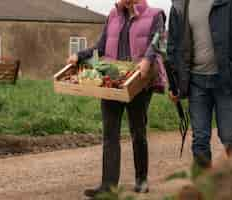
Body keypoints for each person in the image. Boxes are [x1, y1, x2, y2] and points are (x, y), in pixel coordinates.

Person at [67, 0, 166, 197]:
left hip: (138, 81)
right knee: (110, 133)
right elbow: (101, 47)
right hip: (113, 80)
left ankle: (141, 180)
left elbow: (160, 41)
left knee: (138, 132)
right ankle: (108, 186)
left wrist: (147, 59)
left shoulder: (155, 14)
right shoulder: (113, 15)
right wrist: (80, 55)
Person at [167, 0, 232, 169]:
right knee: (200, 138)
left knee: (228, 136)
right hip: (196, 82)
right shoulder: (180, 5)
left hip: (226, 79)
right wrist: (174, 85)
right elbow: (173, 47)